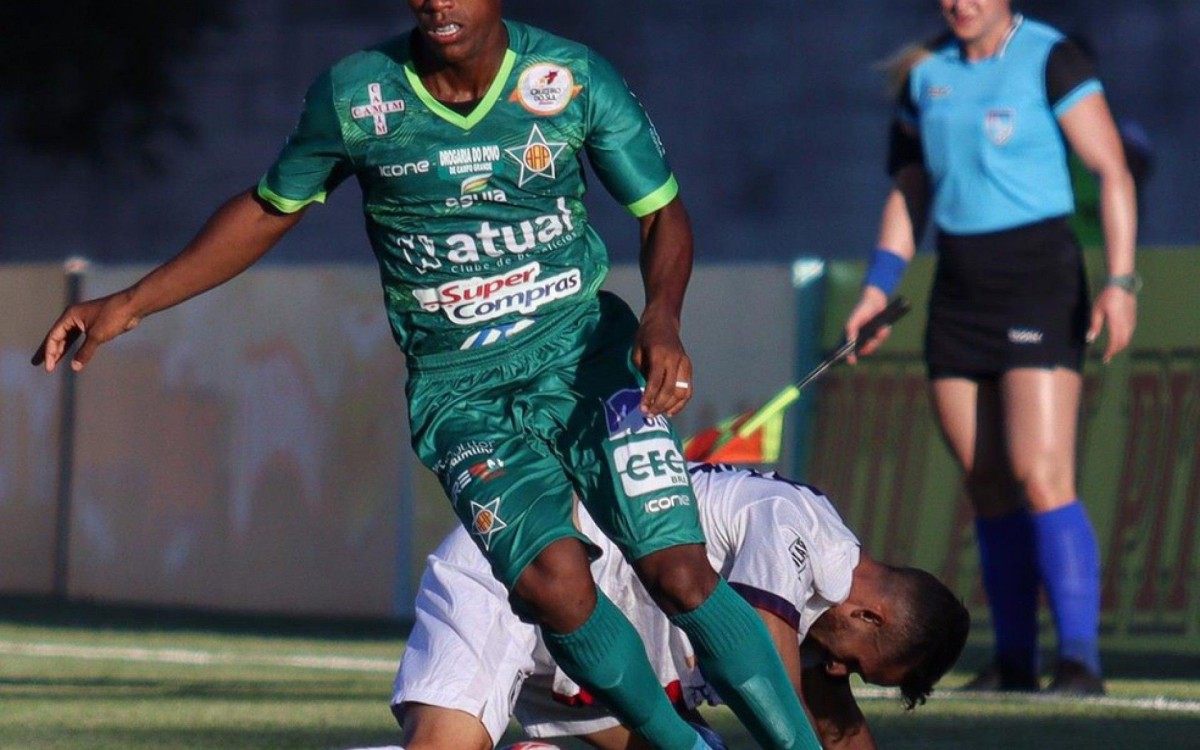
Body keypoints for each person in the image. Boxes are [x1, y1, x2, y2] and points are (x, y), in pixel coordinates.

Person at [33, 1, 822, 747]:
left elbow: (661, 212)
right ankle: (683, 744)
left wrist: (662, 320)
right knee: (554, 587)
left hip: (588, 360)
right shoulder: (357, 97)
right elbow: (271, 208)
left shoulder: (571, 78)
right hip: (461, 392)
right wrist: (131, 304)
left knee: (678, 572)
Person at [844, 0, 1138, 695]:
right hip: (959, 292)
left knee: (1042, 472)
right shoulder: (925, 72)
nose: (961, 3)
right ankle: (1013, 661)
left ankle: (1079, 663)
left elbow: (1113, 170)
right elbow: (909, 191)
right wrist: (878, 289)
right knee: (986, 482)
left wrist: (1120, 282)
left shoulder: (1050, 55)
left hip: (1039, 279)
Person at [383, 463, 968, 750]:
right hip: (523, 565)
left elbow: (836, 732)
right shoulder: (799, 525)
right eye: (858, 666)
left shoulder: (822, 621)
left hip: (592, 661)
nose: (838, 673)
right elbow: (763, 652)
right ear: (870, 616)